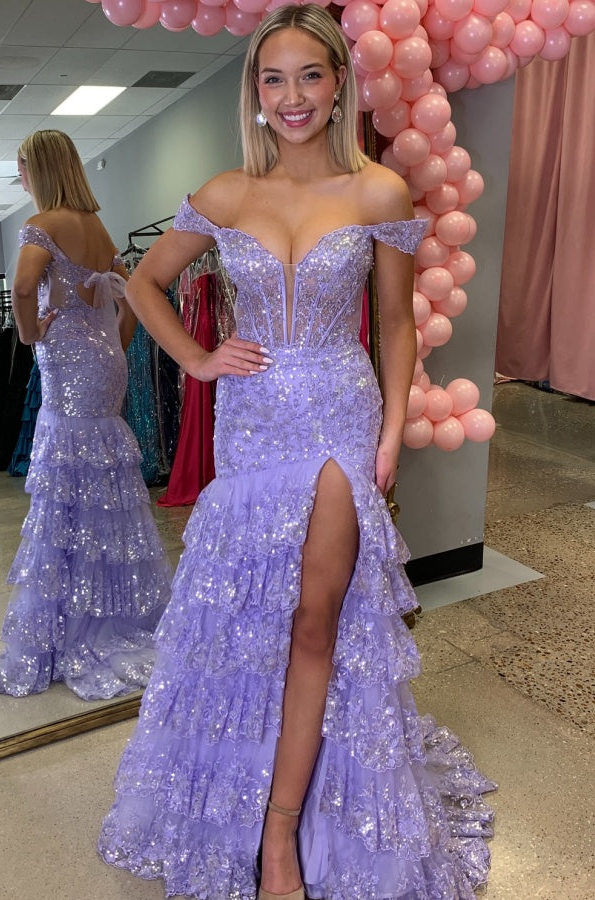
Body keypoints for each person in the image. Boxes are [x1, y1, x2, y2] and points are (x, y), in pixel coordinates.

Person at [99, 6, 494, 898]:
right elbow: (145, 282)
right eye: (273, 78)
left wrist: (389, 436)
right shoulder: (225, 193)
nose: (292, 96)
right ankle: (242, 786)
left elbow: (397, 324)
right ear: (255, 91)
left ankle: (279, 835)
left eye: (309, 75)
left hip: (336, 420)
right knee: (248, 619)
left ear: (339, 83)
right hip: (250, 427)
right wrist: (197, 358)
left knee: (316, 623)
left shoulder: (378, 192)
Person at [0, 130, 172, 701]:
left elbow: (24, 287)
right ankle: (110, 608)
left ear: (40, 169)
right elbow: (132, 295)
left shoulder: (41, 225)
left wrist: (29, 335)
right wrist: (116, 344)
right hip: (104, 363)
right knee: (101, 482)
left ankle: (76, 618)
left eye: (23, 167)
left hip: (69, 365)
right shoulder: (96, 226)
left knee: (68, 483)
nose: (21, 177)